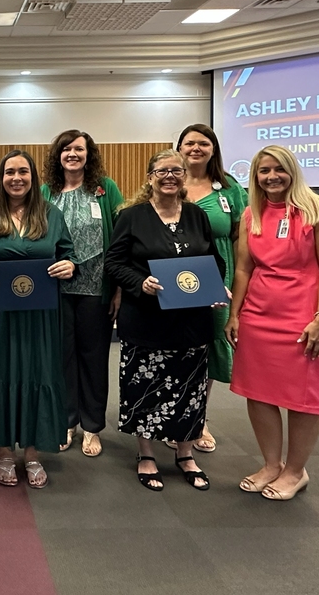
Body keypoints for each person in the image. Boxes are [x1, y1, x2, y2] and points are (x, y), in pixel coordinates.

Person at [104, 149, 224, 492]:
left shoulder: (198, 215)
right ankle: (146, 454)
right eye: (162, 171)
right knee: (145, 387)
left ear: (184, 177)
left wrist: (218, 288)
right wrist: (139, 284)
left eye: (177, 171)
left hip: (191, 321)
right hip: (146, 319)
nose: (170, 176)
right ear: (150, 177)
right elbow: (114, 263)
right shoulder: (132, 216)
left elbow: (214, 260)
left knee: (190, 390)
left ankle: (185, 453)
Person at [226, 145, 319, 501]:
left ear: (292, 171)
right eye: (264, 171)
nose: (271, 176)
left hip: (304, 318)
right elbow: (244, 268)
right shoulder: (251, 214)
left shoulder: (317, 210)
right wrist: (235, 314)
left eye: (279, 169)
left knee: (303, 398)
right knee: (258, 393)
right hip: (259, 315)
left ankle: (296, 471)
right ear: (255, 176)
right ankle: (271, 464)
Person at [0, 150, 75, 489]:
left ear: (32, 177)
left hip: (39, 313)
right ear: (0, 177)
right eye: (10, 172)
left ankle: (33, 452)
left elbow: (67, 253)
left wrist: (69, 266)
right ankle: (4, 453)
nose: (16, 178)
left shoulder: (51, 213)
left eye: (23, 172)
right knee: (1, 372)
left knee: (37, 372)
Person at [41, 130, 123, 457]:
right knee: (61, 357)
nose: (72, 154)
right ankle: (67, 421)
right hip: (55, 288)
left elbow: (119, 241)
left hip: (96, 288)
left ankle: (92, 426)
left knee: (93, 357)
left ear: (89, 154)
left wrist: (118, 288)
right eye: (66, 149)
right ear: (57, 155)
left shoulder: (106, 188)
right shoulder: (46, 191)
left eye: (79, 149)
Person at [175, 123, 248, 453]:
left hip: (219, 276)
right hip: (176, 276)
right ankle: (171, 414)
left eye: (203, 143)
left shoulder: (229, 189)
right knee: (174, 347)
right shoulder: (168, 182)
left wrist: (237, 281)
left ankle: (198, 418)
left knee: (209, 348)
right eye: (189, 143)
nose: (195, 148)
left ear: (214, 149)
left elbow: (240, 236)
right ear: (179, 148)